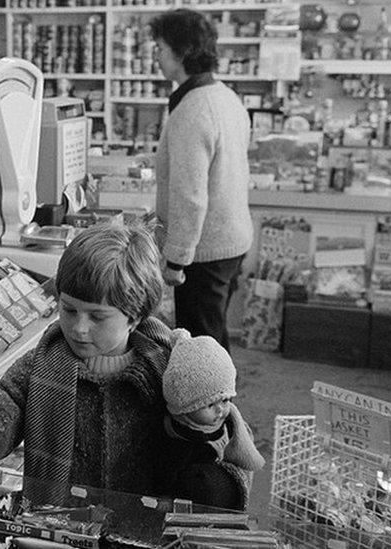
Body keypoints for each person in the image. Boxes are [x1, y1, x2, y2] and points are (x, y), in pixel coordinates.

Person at [0, 223, 178, 503]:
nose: (79, 328)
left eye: (97, 317)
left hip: (144, 526)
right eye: (69, 309)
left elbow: (200, 434)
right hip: (54, 524)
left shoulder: (167, 371)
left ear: (135, 317)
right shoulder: (43, 363)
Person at [151, 9, 253, 352]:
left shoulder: (193, 109)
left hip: (204, 252)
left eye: (160, 47)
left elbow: (190, 195)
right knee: (214, 337)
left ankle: (216, 404)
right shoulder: (224, 96)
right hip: (232, 240)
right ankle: (220, 399)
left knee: (201, 350)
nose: (156, 55)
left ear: (182, 52)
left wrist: (176, 260)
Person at [160, 335, 265, 510]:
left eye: (225, 400)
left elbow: (242, 452)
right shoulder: (178, 433)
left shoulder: (232, 421)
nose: (221, 410)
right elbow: (166, 470)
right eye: (210, 404)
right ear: (186, 406)